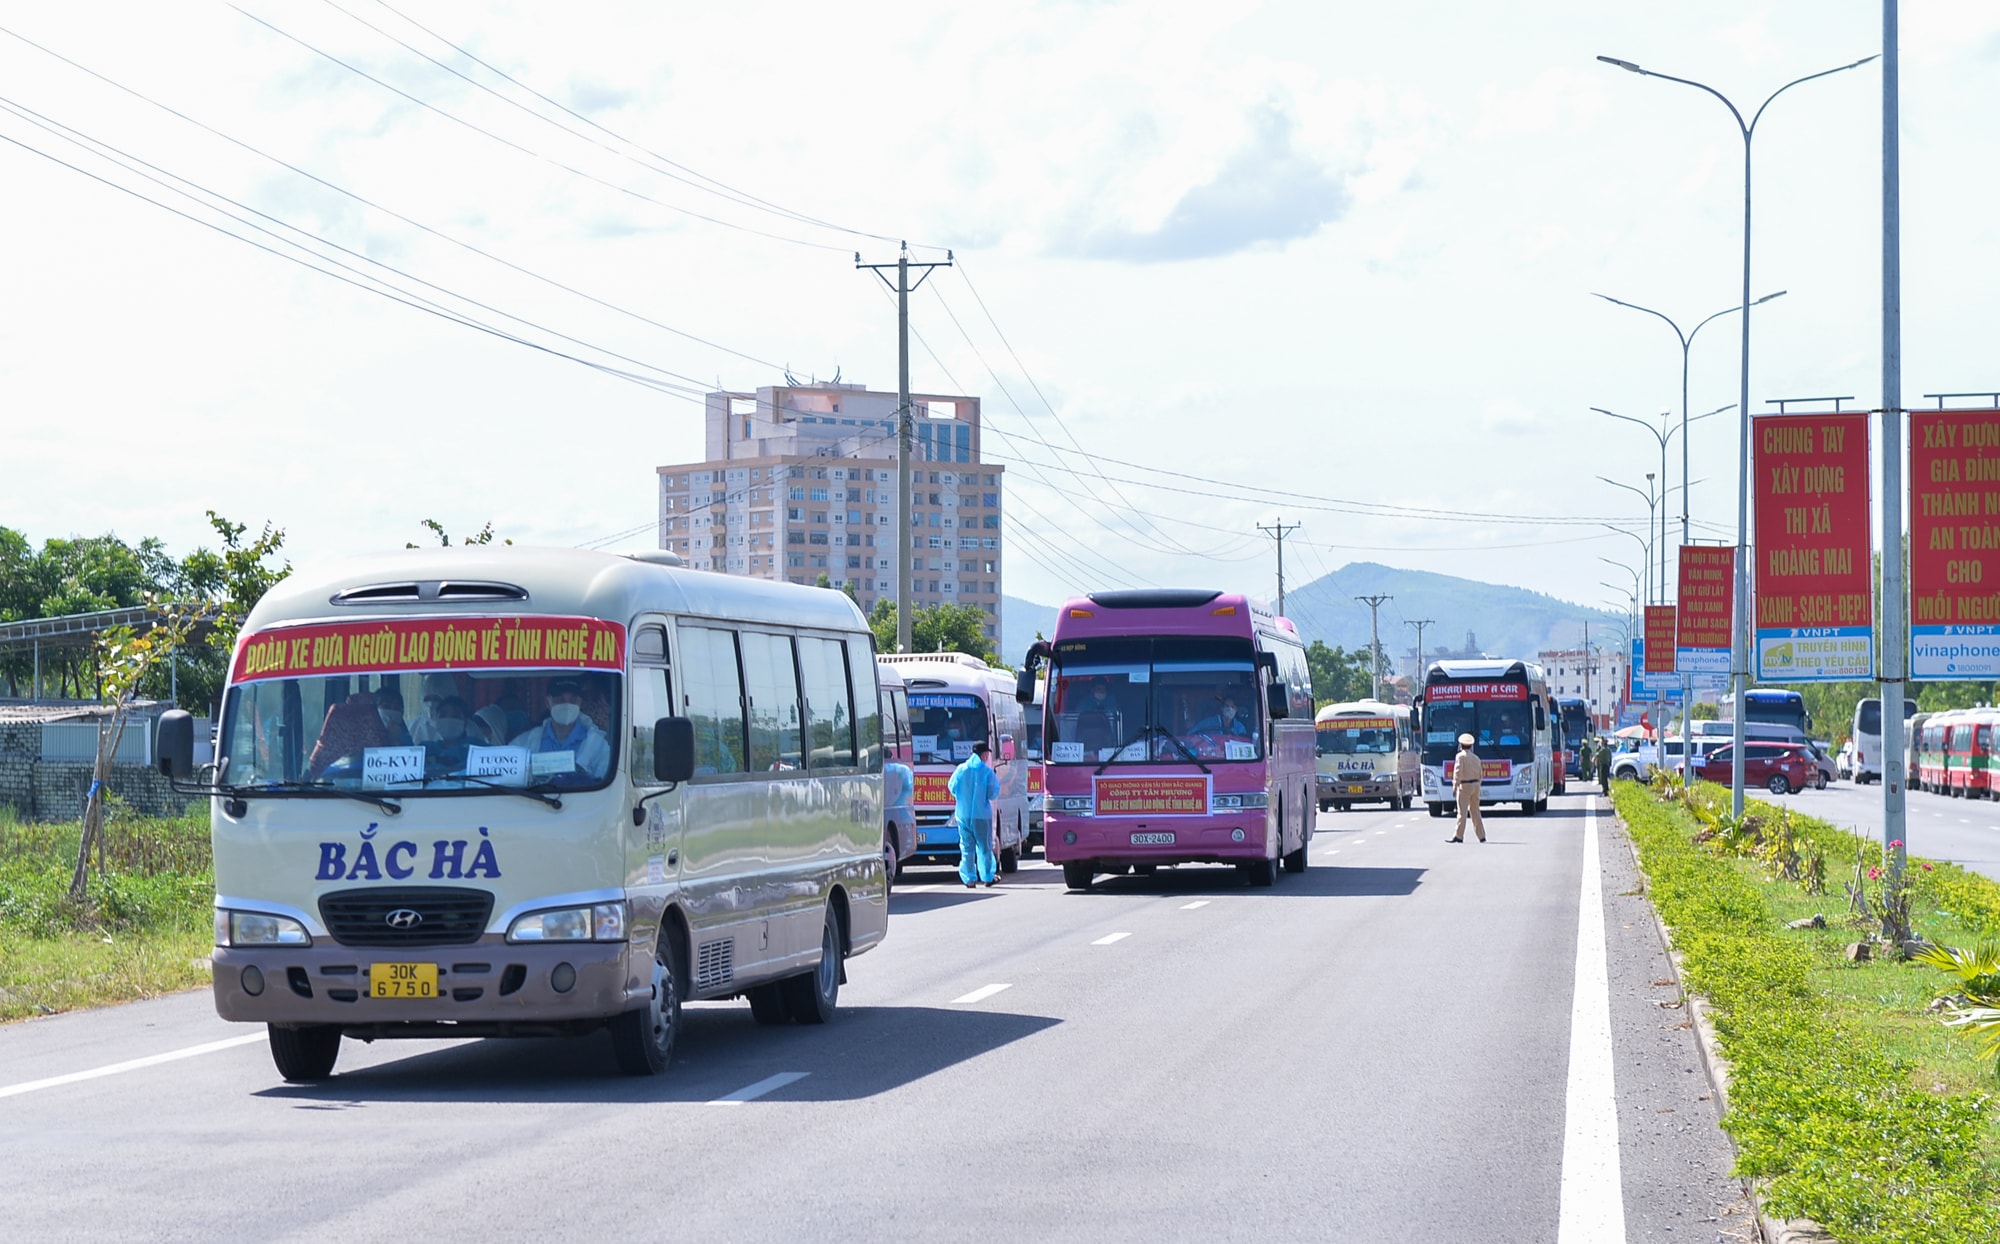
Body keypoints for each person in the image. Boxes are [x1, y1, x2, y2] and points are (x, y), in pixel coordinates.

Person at [510, 676, 612, 783]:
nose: (567, 705)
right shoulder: (524, 742)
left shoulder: (598, 745)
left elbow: (605, 784)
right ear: (547, 702)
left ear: (580, 702)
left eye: (573, 699)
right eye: (560, 699)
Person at [948, 740, 1000, 888]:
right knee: (984, 848)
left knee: (966, 848)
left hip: (963, 814)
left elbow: (952, 788)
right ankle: (988, 876)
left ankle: (970, 879)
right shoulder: (987, 772)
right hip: (981, 815)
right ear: (984, 755)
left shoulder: (961, 769)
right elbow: (992, 793)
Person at [1449, 731, 1487, 843]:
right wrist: (1478, 785)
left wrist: (1455, 785)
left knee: (1462, 812)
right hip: (1475, 785)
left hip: (1464, 786)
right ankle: (1481, 836)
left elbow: (1458, 771)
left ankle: (1458, 835)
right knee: (1475, 811)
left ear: (1461, 745)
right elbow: (1481, 774)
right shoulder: (1476, 758)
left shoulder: (1460, 756)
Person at [424, 696, 476, 773]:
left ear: (465, 722)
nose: (448, 720)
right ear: (436, 720)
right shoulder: (426, 749)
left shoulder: (476, 748)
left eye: (455, 716)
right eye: (442, 716)